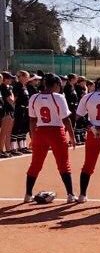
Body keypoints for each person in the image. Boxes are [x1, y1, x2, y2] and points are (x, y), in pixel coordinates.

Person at [23, 74, 77, 203]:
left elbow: (32, 120)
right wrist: (72, 136)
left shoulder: (34, 97)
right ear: (56, 84)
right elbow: (66, 119)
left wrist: (33, 137)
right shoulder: (59, 97)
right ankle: (70, 194)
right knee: (63, 164)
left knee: (35, 164)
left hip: (40, 131)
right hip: (56, 132)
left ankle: (28, 194)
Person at [12, 71, 32, 155]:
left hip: (25, 109)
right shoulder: (17, 86)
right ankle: (13, 148)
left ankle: (23, 146)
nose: (28, 78)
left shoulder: (24, 86)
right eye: (27, 76)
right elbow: (14, 99)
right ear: (22, 77)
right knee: (16, 128)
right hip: (19, 109)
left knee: (23, 128)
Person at [0, 72, 14, 158]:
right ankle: (1, 150)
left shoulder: (6, 87)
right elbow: (11, 100)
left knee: (7, 133)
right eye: (9, 78)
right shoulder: (3, 87)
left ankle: (7, 149)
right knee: (3, 133)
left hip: (8, 111)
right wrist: (11, 92)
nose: (10, 80)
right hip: (5, 112)